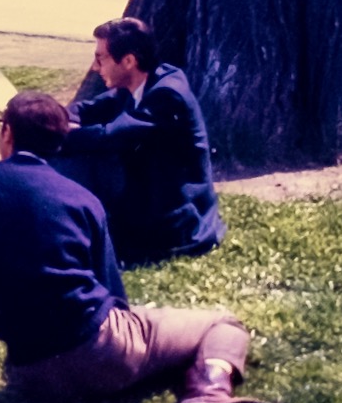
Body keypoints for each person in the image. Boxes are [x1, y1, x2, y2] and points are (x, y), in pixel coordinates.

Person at [0, 92, 293, 403]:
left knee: (151, 338)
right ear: (60, 143)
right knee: (222, 323)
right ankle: (209, 390)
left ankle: (189, 379)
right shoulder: (83, 200)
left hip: (30, 374)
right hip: (104, 356)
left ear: (8, 134)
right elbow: (114, 298)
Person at [55, 17, 225, 265]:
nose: (94, 67)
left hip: (178, 221)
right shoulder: (134, 83)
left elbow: (112, 136)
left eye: (100, 58)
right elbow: (88, 109)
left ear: (128, 61)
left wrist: (56, 133)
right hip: (149, 200)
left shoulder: (168, 93)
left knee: (81, 157)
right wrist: (47, 116)